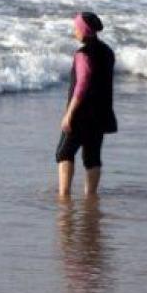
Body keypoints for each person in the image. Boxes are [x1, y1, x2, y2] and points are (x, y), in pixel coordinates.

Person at [56, 12, 117, 198]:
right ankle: (91, 197)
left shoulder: (82, 54)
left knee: (64, 153)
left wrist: (69, 114)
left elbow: (82, 85)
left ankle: (64, 196)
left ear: (84, 31)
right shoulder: (108, 52)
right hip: (101, 113)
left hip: (81, 114)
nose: (74, 31)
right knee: (92, 157)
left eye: (76, 28)